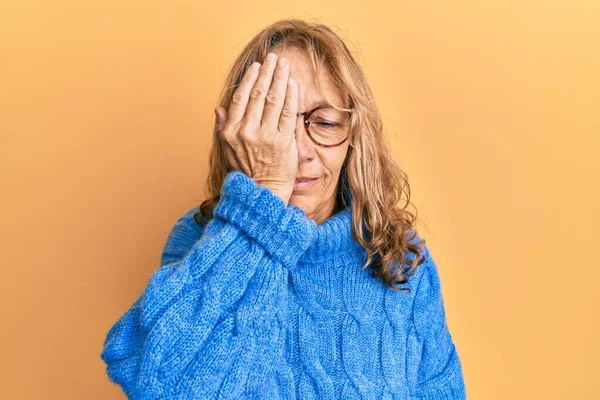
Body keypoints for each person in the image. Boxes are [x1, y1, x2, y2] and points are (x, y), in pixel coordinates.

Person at [100, 18, 466, 399]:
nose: (297, 154)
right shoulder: (198, 239)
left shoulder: (401, 258)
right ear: (239, 132)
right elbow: (165, 388)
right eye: (273, 124)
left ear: (355, 137)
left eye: (323, 122)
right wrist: (266, 195)